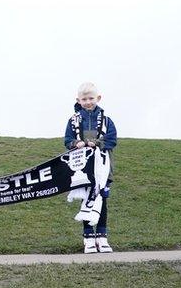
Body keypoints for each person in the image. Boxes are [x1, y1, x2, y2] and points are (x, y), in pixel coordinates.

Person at [64, 82, 118, 254]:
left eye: (91, 98)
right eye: (84, 99)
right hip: (84, 170)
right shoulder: (73, 121)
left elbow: (112, 140)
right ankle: (88, 239)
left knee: (102, 201)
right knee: (86, 201)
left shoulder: (107, 121)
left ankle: (102, 238)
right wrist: (76, 143)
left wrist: (96, 144)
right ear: (78, 100)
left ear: (98, 98)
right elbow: (67, 140)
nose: (88, 102)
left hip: (102, 170)